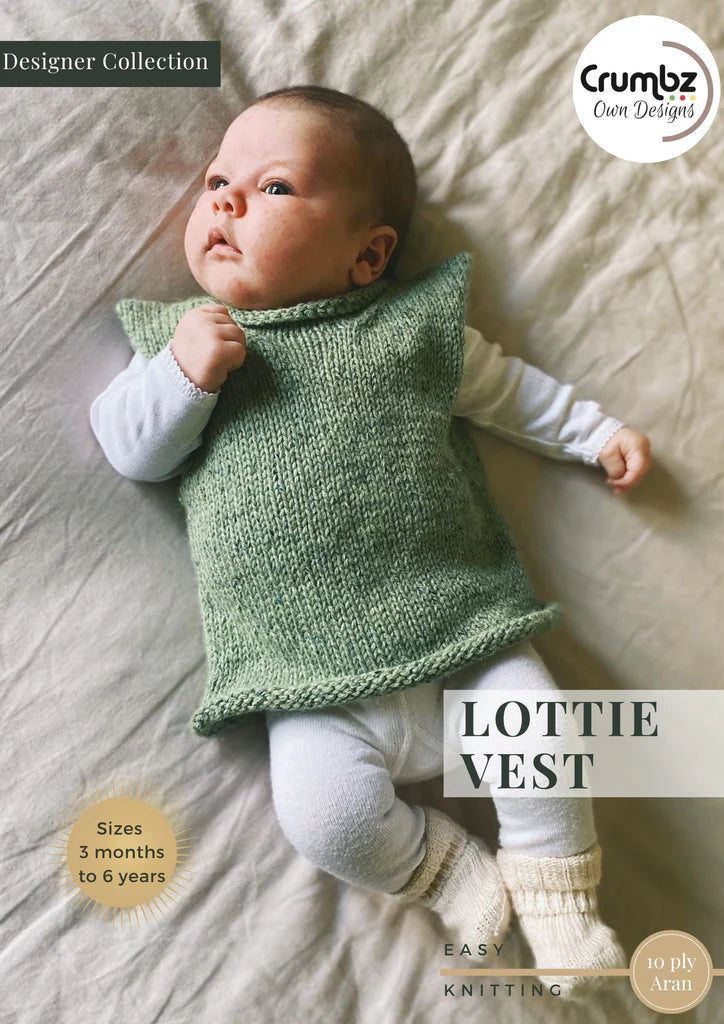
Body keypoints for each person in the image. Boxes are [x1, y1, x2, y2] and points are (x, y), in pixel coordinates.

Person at [90, 85, 651, 998]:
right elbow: (131, 450)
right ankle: (445, 870)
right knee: (325, 820)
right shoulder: (180, 344)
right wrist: (187, 374)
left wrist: (595, 434)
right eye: (218, 181)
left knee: (543, 736)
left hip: (462, 631)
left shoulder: (408, 330)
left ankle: (561, 904)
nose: (227, 202)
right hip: (309, 676)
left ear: (369, 254)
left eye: (274, 188)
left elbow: (510, 391)